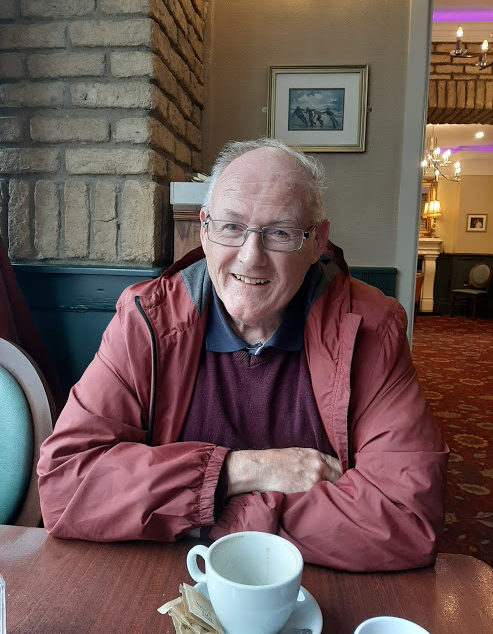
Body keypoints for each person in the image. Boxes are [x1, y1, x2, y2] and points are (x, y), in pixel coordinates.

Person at [38, 138, 448, 572]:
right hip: (173, 581)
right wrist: (239, 471)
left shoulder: (371, 328)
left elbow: (405, 517)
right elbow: (66, 484)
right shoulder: (147, 321)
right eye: (231, 227)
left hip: (312, 587)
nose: (251, 259)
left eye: (280, 233)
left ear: (317, 242)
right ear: (204, 229)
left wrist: (208, 515)